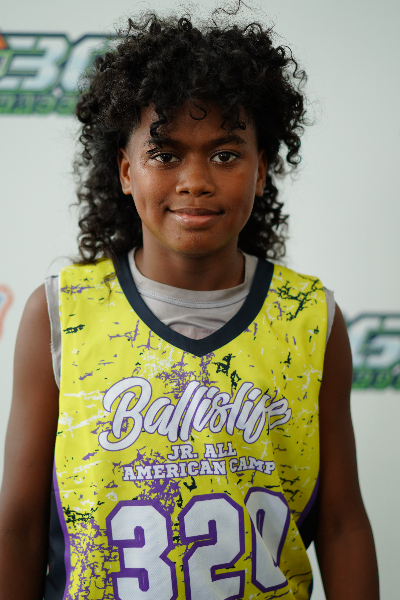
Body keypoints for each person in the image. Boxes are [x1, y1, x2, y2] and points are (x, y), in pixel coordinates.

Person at [0, 8, 379, 600]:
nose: (195, 180)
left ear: (261, 171)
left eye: (225, 155)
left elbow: (340, 523)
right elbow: (20, 528)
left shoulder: (310, 318)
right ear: (126, 171)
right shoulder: (59, 315)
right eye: (165, 154)